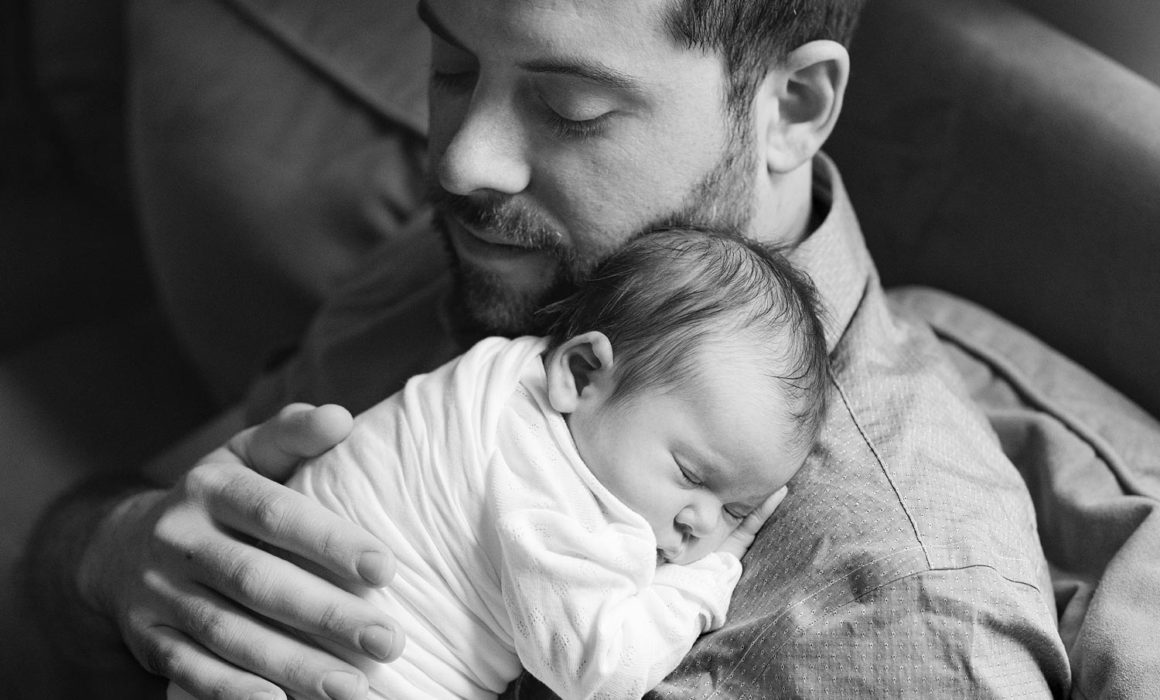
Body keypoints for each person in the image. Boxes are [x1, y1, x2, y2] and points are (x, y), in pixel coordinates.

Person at [24, 0, 1073, 698]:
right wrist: (111, 556)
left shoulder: (884, 613)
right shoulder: (519, 264)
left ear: (789, 107)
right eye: (448, 65)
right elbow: (96, 539)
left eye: (568, 108)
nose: (461, 159)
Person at [167, 228, 830, 699]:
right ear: (580, 372)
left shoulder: (504, 373)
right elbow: (600, 674)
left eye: (736, 511)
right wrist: (710, 579)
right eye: (690, 475)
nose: (699, 525)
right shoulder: (554, 494)